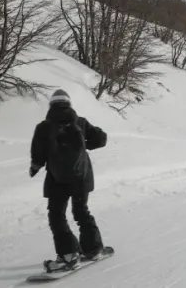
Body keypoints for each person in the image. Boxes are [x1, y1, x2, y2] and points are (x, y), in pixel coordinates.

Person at [29, 89, 108, 271]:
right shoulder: (81, 122)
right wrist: (84, 145)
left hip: (57, 178)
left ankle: (69, 255)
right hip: (81, 175)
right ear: (69, 104)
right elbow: (101, 139)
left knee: (57, 215)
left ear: (51, 105)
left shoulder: (43, 127)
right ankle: (93, 249)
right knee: (81, 211)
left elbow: (38, 154)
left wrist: (35, 167)